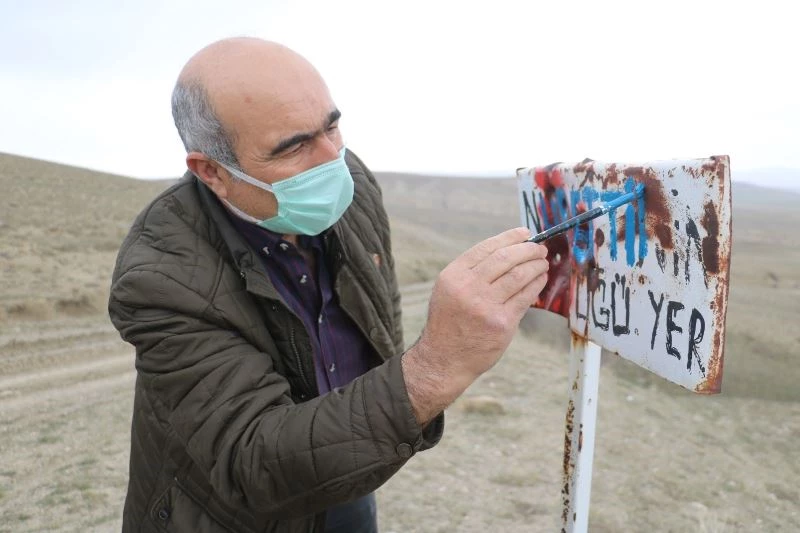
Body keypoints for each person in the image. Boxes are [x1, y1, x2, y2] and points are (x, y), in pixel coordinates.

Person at [108, 37, 549, 533]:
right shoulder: (158, 276)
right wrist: (437, 366)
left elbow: (379, 314)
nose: (331, 159)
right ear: (212, 171)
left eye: (331, 126)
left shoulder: (351, 185)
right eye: (293, 146)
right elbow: (252, 465)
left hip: (352, 478)